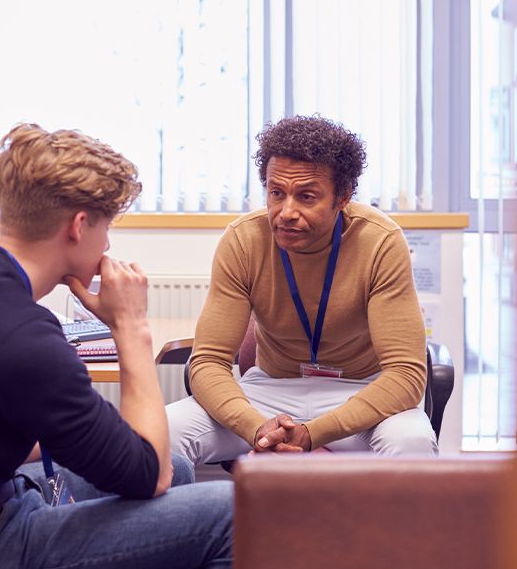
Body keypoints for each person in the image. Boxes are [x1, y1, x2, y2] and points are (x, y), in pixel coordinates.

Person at [0, 123, 233, 568]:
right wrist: (130, 325)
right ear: (79, 226)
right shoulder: (24, 337)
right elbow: (150, 476)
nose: (108, 245)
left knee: (181, 467)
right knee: (230, 512)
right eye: (106, 228)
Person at [168, 115, 438, 464]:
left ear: (342, 197)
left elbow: (405, 374)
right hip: (269, 392)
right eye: (276, 193)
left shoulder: (380, 242)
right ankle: (192, 520)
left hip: (361, 391)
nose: (286, 212)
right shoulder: (243, 240)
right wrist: (257, 427)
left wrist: (314, 433)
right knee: (161, 435)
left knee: (412, 444)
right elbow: (207, 362)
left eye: (306, 196)